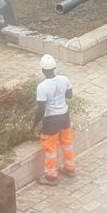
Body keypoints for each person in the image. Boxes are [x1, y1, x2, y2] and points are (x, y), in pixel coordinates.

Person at [32, 54, 76, 186]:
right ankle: (69, 168)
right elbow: (69, 96)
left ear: (43, 70)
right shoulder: (64, 79)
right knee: (67, 143)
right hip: (64, 116)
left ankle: (51, 176)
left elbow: (41, 109)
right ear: (54, 67)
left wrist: (34, 125)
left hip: (51, 120)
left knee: (50, 148)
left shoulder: (42, 87)